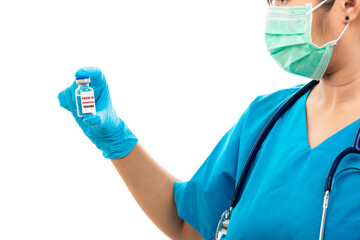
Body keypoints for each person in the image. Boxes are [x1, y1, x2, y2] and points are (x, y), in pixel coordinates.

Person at [58, 0, 360, 239]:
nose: (274, 12)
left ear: (347, 5)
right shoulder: (266, 118)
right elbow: (191, 227)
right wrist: (118, 141)